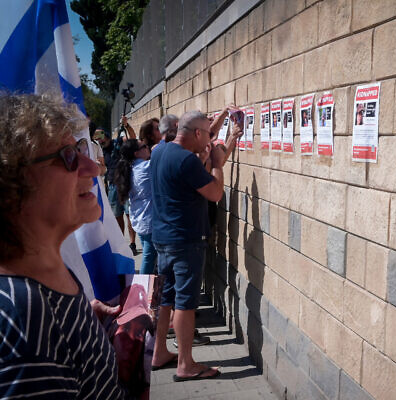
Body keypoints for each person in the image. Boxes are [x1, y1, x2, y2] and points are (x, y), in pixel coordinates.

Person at [0, 93, 127, 398]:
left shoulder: (45, 270)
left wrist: (81, 329)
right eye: (69, 156)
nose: (94, 168)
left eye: (81, 149)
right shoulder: (25, 319)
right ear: (11, 184)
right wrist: (53, 334)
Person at [150, 109, 243, 380]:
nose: (208, 143)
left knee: (165, 300)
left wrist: (226, 139)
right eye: (206, 137)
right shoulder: (186, 161)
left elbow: (186, 179)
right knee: (185, 303)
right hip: (186, 240)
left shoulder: (159, 151)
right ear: (197, 133)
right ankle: (186, 364)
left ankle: (158, 353)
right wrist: (216, 163)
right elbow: (214, 193)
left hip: (162, 239)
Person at [114, 139, 156, 275]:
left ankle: (147, 288)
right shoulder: (145, 167)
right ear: (137, 153)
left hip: (140, 218)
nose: (148, 147)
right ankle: (143, 289)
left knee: (149, 255)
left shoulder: (131, 168)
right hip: (148, 219)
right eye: (145, 146)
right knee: (149, 257)